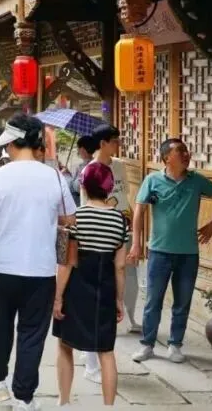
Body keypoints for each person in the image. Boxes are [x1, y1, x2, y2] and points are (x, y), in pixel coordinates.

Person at [0, 113, 76, 411]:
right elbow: (69, 218)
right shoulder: (54, 177)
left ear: (13, 143)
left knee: (1, 326)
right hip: (40, 269)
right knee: (32, 334)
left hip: (1, 266)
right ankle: (24, 397)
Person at [128, 138, 212, 364]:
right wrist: (136, 244)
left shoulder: (197, 181)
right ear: (167, 158)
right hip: (159, 251)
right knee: (153, 301)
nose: (186, 154)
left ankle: (175, 345)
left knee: (182, 302)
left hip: (188, 254)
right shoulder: (152, 180)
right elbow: (139, 212)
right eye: (180, 151)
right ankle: (147, 345)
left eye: (186, 150)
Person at [52, 161, 128, 406]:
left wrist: (57, 297)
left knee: (65, 345)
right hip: (104, 288)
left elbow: (67, 262)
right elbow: (120, 266)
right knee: (106, 351)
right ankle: (108, 407)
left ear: (83, 186)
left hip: (76, 287)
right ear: (109, 188)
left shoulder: (76, 218)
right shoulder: (120, 220)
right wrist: (119, 299)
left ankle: (64, 401)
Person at [80, 125, 140, 381]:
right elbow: (86, 204)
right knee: (98, 299)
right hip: (99, 234)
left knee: (128, 276)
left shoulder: (120, 166)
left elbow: (125, 196)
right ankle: (91, 360)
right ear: (103, 143)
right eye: (115, 141)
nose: (118, 145)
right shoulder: (89, 170)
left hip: (121, 226)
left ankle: (129, 316)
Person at [62, 135, 99, 207]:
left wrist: (67, 176)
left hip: (83, 203)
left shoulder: (86, 167)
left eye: (78, 148)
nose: (78, 151)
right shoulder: (96, 164)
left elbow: (78, 187)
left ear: (82, 149)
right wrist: (69, 174)